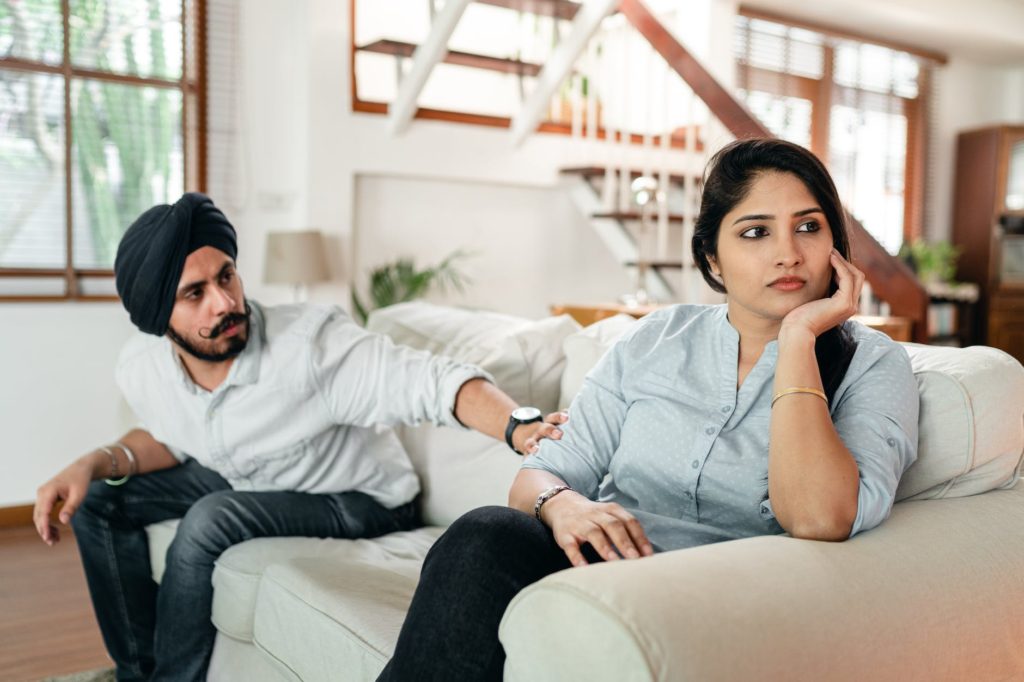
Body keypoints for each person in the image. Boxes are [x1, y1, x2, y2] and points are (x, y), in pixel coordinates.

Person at [377, 138, 920, 681]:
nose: (789, 254)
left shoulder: (872, 364)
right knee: (484, 535)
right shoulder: (656, 338)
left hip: (724, 602)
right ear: (712, 257)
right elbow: (537, 475)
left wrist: (799, 338)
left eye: (808, 227)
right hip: (600, 573)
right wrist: (563, 505)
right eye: (756, 232)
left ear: (834, 244)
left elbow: (819, 517)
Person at [32, 192, 566, 682]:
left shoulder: (310, 347)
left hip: (360, 499)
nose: (224, 302)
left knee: (209, 519)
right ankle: (135, 673)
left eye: (226, 276)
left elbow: (432, 381)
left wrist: (518, 425)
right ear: (158, 319)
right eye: (195, 293)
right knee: (100, 500)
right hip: (248, 475)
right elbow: (172, 437)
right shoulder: (142, 367)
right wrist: (94, 462)